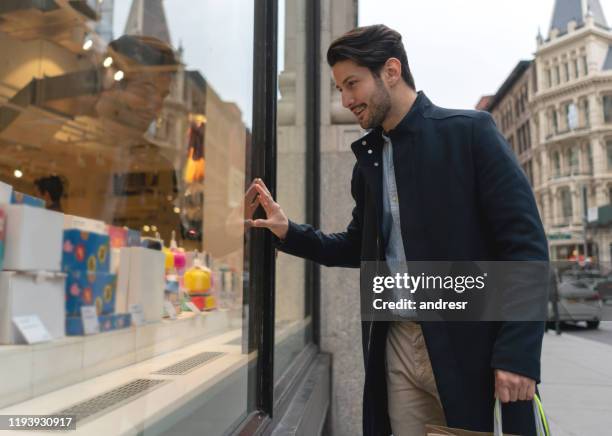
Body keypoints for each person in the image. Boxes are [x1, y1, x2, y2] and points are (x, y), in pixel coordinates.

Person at [247, 24, 548, 436]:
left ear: (391, 70)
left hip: (470, 345)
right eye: (339, 89)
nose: (346, 100)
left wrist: (518, 354)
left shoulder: (469, 133)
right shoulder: (368, 162)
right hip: (397, 343)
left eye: (352, 84)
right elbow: (358, 247)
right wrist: (289, 232)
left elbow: (526, 247)